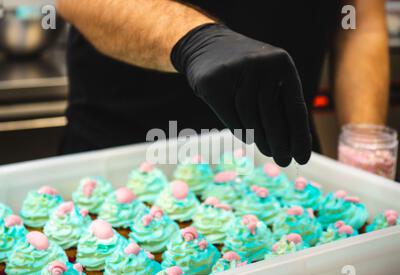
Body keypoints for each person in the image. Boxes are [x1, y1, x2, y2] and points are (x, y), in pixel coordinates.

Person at [57, 0, 389, 167]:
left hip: (283, 156)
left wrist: (365, 148)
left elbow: (361, 21)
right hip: (122, 159)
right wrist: (193, 40)